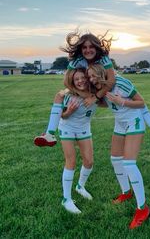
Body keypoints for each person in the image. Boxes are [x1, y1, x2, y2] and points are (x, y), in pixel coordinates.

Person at [34, 30, 150, 147]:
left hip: (105, 84)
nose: (88, 50)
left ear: (97, 47)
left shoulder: (103, 58)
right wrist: (85, 95)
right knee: (59, 95)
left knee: (133, 96)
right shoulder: (77, 60)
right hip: (89, 85)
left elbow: (111, 80)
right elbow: (66, 81)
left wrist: (96, 97)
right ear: (80, 49)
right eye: (84, 47)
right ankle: (50, 134)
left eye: (91, 46)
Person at [87, 63, 150, 229]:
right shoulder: (99, 88)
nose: (91, 79)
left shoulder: (121, 83)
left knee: (129, 164)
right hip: (120, 123)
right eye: (89, 77)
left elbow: (142, 103)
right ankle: (126, 192)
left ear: (102, 73)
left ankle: (142, 209)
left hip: (134, 120)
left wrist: (121, 101)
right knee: (115, 159)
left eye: (94, 76)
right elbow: (105, 103)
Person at [57, 68, 97, 214]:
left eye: (82, 77)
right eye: (76, 79)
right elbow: (60, 114)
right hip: (67, 127)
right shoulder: (68, 95)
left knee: (89, 161)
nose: (80, 81)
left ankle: (80, 186)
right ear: (72, 82)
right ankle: (66, 199)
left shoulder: (96, 93)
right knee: (71, 161)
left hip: (84, 128)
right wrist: (69, 112)